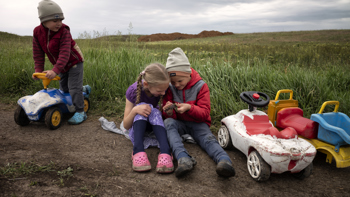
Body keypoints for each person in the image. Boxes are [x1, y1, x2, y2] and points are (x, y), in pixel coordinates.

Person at [162, 47, 236, 178]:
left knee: (208, 139)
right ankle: (183, 158)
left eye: (180, 81)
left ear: (188, 74)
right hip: (179, 122)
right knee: (168, 123)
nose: (176, 85)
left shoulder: (201, 86)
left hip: (198, 123)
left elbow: (204, 113)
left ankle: (224, 161)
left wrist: (189, 108)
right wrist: (168, 112)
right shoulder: (170, 88)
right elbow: (168, 114)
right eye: (173, 82)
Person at [32, 0, 90, 125]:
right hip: (61, 65)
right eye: (55, 20)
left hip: (74, 61)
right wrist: (38, 70)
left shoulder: (64, 31)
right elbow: (38, 53)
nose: (59, 23)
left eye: (60, 20)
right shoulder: (37, 32)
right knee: (64, 89)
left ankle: (81, 111)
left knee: (74, 88)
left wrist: (55, 70)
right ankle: (84, 89)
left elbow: (64, 53)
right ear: (44, 20)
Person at [123, 63, 174, 173]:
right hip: (138, 127)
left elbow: (163, 115)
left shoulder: (163, 88)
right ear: (146, 84)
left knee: (154, 110)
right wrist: (135, 111)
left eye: (164, 90)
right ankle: (137, 150)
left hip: (155, 126)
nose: (163, 93)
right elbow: (126, 125)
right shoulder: (133, 91)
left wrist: (168, 112)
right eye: (160, 91)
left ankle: (165, 151)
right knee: (140, 108)